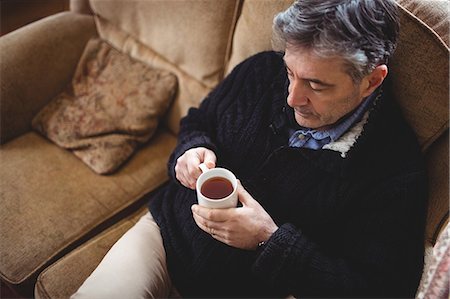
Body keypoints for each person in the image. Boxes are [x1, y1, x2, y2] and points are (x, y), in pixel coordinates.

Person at [72, 0, 428, 298]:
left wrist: (268, 241)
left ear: (371, 81)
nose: (292, 98)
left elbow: (378, 290)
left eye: (316, 85)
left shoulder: (396, 170)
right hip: (163, 238)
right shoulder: (261, 72)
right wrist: (190, 152)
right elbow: (198, 122)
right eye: (291, 72)